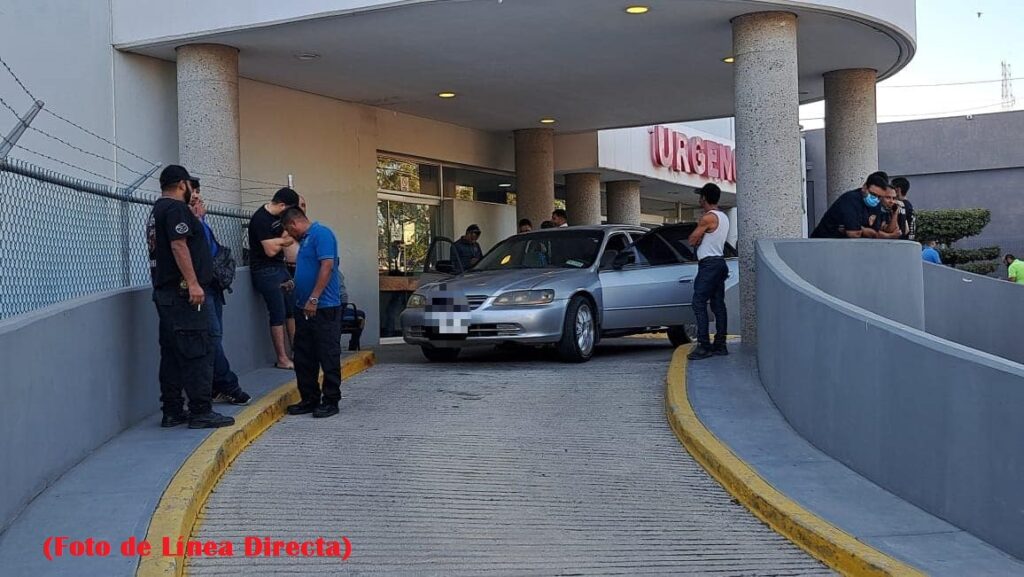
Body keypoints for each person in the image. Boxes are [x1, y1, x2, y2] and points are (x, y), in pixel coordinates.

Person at [146, 165, 234, 429]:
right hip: (184, 294)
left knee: (172, 353)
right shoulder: (175, 209)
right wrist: (194, 284)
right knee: (198, 350)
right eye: (189, 186)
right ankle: (200, 410)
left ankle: (172, 409)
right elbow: (178, 244)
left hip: (167, 294)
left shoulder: (158, 210)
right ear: (182, 184)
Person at [188, 181, 251, 406]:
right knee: (212, 336)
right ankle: (228, 384)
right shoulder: (185, 220)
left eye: (197, 192)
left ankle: (215, 384)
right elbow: (197, 250)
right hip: (200, 286)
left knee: (216, 336)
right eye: (191, 191)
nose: (195, 196)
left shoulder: (200, 220)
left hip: (212, 285)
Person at [281, 208, 347, 419]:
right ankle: (309, 398)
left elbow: (327, 266)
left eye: (288, 231)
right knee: (304, 356)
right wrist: (294, 284)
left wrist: (314, 298)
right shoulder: (307, 240)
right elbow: (309, 269)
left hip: (323, 307)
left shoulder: (322, 234)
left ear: (293, 225)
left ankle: (330, 400)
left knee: (327, 355)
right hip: (304, 308)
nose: (290, 236)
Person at [248, 187, 300, 369]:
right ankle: (282, 358)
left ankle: (297, 351)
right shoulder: (260, 219)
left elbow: (289, 238)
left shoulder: (281, 219)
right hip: (265, 269)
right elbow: (269, 251)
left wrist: (279, 241)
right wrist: (282, 241)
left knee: (291, 308)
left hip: (280, 266)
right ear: (281, 205)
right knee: (277, 312)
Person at [686, 183, 730, 361]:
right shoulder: (723, 217)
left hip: (709, 265)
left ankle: (704, 345)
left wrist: (699, 233)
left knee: (698, 302)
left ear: (705, 198)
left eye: (700, 196)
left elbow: (691, 240)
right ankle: (720, 344)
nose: (699, 199)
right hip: (719, 263)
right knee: (718, 304)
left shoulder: (708, 218)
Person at [810, 171, 889, 239]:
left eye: (879, 197)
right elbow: (853, 234)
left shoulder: (876, 204)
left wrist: (862, 230)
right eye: (873, 194)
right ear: (864, 187)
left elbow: (876, 232)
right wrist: (864, 231)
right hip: (824, 242)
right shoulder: (851, 199)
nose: (876, 199)